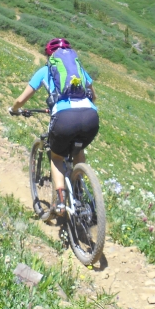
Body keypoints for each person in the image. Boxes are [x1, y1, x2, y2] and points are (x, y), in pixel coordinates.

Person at [9, 38, 98, 215]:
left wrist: (14, 109)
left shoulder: (44, 71)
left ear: (49, 56)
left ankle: (61, 203)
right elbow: (93, 97)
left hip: (64, 118)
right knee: (78, 149)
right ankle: (79, 188)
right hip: (90, 116)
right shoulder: (79, 71)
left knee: (57, 157)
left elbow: (21, 99)